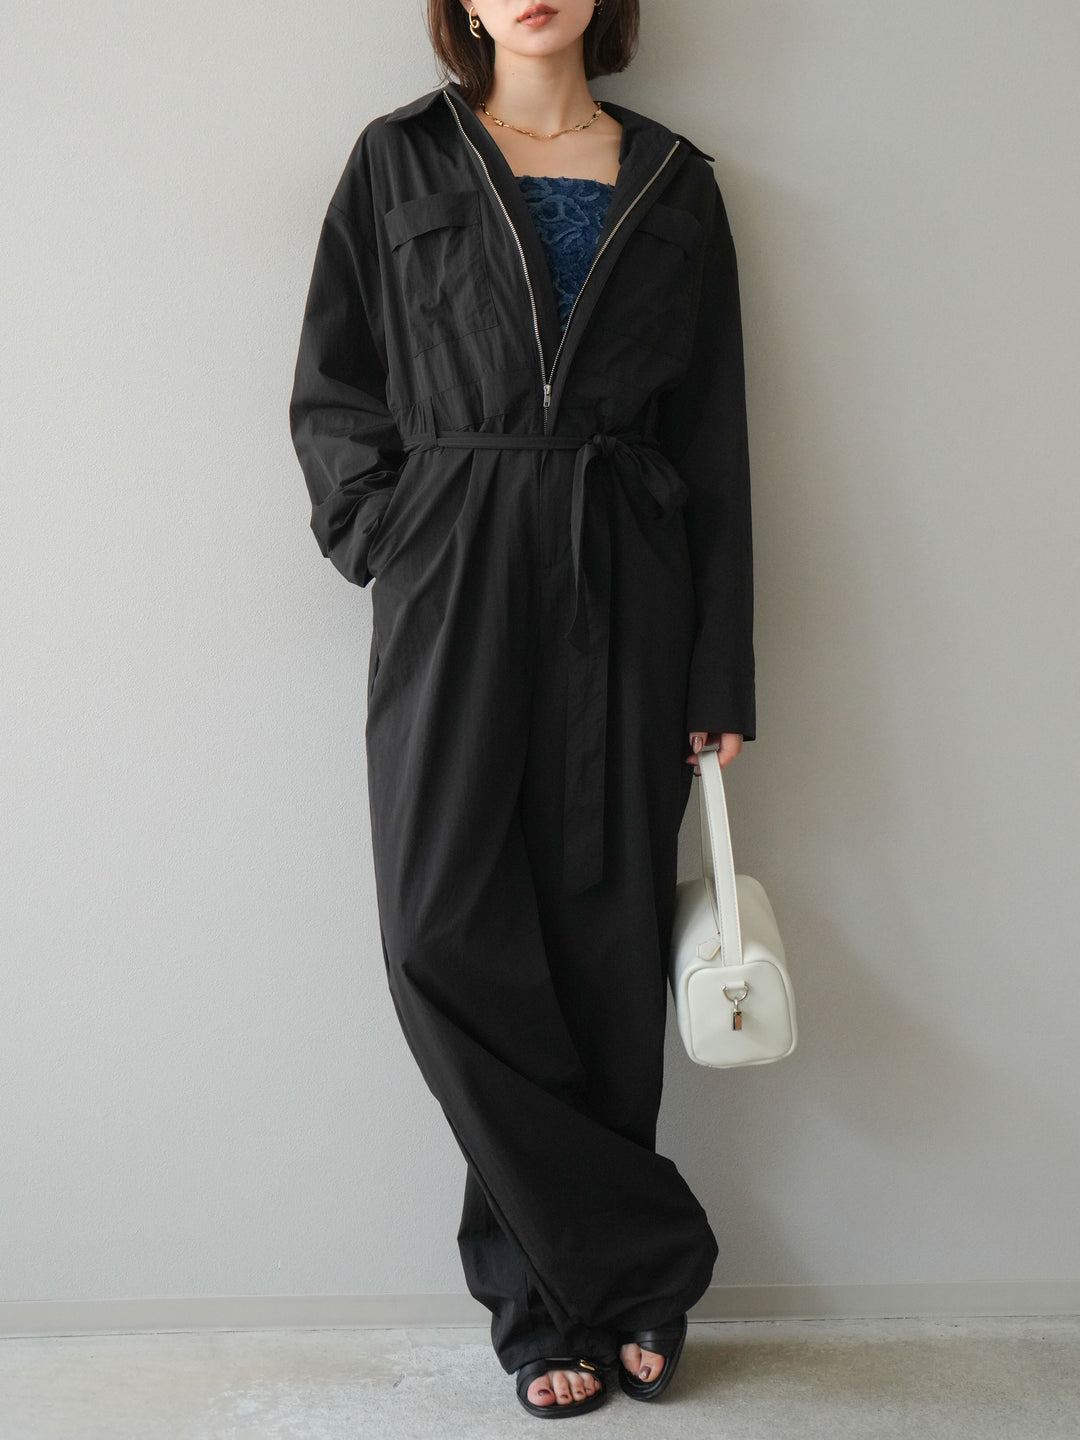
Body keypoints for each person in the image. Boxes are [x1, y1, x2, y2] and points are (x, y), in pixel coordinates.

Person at [289, 0, 755, 1418]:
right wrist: (391, 530)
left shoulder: (675, 179)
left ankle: (554, 1313)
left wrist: (718, 669)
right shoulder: (400, 158)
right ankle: (642, 1257)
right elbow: (334, 383)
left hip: (629, 565)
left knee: (604, 942)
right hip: (455, 564)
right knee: (440, 935)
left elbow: (716, 436)